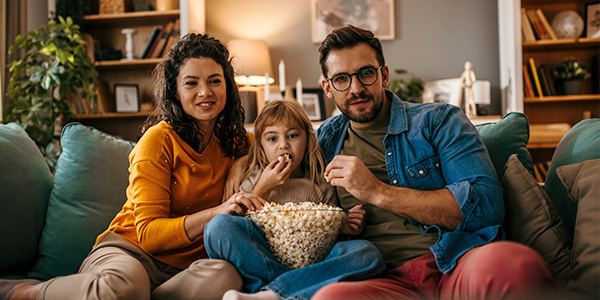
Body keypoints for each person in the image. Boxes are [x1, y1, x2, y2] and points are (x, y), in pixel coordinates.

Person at [1, 33, 266, 300]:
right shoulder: (158, 140)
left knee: (227, 276)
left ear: (227, 87)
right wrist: (216, 213)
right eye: (191, 83)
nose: (205, 92)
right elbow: (150, 234)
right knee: (128, 286)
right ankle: (26, 292)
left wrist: (241, 162)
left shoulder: (235, 141)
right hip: (129, 252)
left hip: (183, 270)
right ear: (175, 90)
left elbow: (275, 148)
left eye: (215, 81)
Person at [311, 25, 555, 300]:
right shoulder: (322, 142)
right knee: (330, 297)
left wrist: (376, 191)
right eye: (341, 79)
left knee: (516, 267)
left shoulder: (439, 121)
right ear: (327, 88)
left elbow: (486, 205)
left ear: (385, 75)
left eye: (366, 73)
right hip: (379, 278)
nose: (356, 88)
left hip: (454, 262)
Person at [204, 100, 385, 300]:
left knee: (366, 253)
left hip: (314, 261)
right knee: (217, 226)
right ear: (260, 146)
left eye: (292, 135)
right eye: (272, 139)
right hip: (265, 260)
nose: (283, 145)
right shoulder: (251, 177)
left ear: (307, 139)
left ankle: (269, 294)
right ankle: (286, 289)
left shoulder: (321, 183)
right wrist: (263, 188)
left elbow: (330, 235)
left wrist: (345, 226)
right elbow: (239, 223)